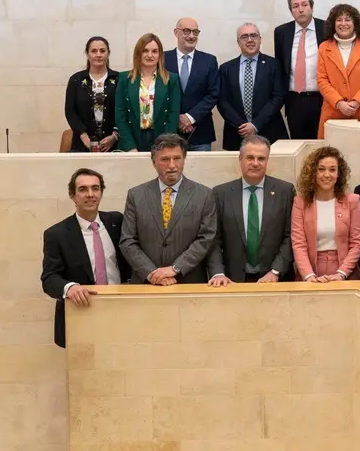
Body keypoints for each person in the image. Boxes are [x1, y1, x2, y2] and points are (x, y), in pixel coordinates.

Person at [40, 168, 129, 347]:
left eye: (95, 188)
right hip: (82, 312)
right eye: (83, 189)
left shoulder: (117, 222)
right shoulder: (57, 234)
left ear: (101, 193)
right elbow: (49, 278)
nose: (90, 194)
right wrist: (69, 287)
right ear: (73, 196)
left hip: (119, 309)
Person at [119, 134, 217, 285]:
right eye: (165, 159)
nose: (172, 165)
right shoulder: (136, 195)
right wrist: (151, 273)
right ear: (154, 162)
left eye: (177, 158)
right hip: (146, 284)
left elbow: (206, 239)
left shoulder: (204, 195)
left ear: (184, 160)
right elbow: (127, 241)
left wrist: (176, 268)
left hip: (188, 282)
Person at [207, 135, 295, 286]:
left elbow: (291, 236)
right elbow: (214, 239)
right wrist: (218, 273)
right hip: (231, 280)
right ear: (240, 159)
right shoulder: (220, 193)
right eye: (250, 158)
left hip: (276, 280)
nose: (255, 163)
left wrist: (275, 271)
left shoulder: (285, 191)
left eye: (261, 158)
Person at [291, 146, 360, 281]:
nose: (327, 175)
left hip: (345, 273)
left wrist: (341, 274)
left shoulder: (352, 201)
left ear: (338, 173)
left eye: (332, 170)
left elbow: (356, 243)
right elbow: (298, 244)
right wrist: (308, 276)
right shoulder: (300, 203)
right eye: (321, 169)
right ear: (313, 172)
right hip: (310, 272)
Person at [217, 22, 288, 151]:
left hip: (270, 132)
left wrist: (255, 125)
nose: (250, 40)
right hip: (237, 134)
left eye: (253, 36)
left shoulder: (274, 65)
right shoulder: (226, 69)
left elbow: (278, 97)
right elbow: (222, 101)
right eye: (244, 37)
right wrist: (242, 126)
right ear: (238, 41)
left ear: (260, 40)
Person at [315, 3, 360, 139]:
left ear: (355, 23)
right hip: (333, 111)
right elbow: (322, 80)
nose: (343, 24)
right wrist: (339, 103)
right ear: (333, 24)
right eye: (339, 20)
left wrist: (357, 102)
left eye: (348, 19)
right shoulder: (324, 47)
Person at [115, 33, 182, 152]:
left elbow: (173, 115)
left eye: (155, 51)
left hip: (161, 139)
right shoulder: (124, 78)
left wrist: (164, 145)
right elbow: (120, 115)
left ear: (160, 55)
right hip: (132, 138)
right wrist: (130, 146)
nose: (150, 55)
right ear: (138, 53)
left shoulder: (171, 79)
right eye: (145, 51)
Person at [275, 0, 326, 141]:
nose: (301, 9)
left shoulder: (325, 28)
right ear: (291, 11)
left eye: (304, 5)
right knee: (297, 144)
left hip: (321, 99)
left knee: (321, 144)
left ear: (312, 7)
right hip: (294, 100)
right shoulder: (281, 32)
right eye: (295, 6)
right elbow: (280, 64)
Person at [164, 17, 220, 152]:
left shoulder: (209, 60)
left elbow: (213, 93)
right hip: (169, 132)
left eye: (195, 32)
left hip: (200, 133)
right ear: (176, 32)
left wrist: (190, 118)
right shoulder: (163, 59)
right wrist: (177, 118)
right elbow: (158, 93)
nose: (191, 36)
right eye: (187, 31)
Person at [64, 36, 120, 152]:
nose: (98, 55)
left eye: (102, 51)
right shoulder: (76, 80)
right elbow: (70, 111)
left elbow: (124, 111)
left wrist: (114, 136)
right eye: (94, 51)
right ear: (87, 54)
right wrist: (84, 137)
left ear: (108, 53)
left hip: (114, 145)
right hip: (82, 144)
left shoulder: (120, 79)